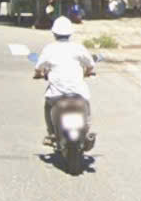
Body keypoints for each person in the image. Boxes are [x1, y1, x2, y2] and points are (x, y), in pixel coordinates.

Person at [34, 15, 96, 148]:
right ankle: (86, 132)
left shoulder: (49, 48)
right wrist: (87, 72)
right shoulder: (78, 48)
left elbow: (38, 67)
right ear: (70, 33)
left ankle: (51, 134)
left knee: (48, 106)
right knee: (86, 105)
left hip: (56, 93)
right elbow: (91, 65)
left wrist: (38, 74)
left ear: (54, 33)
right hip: (78, 92)